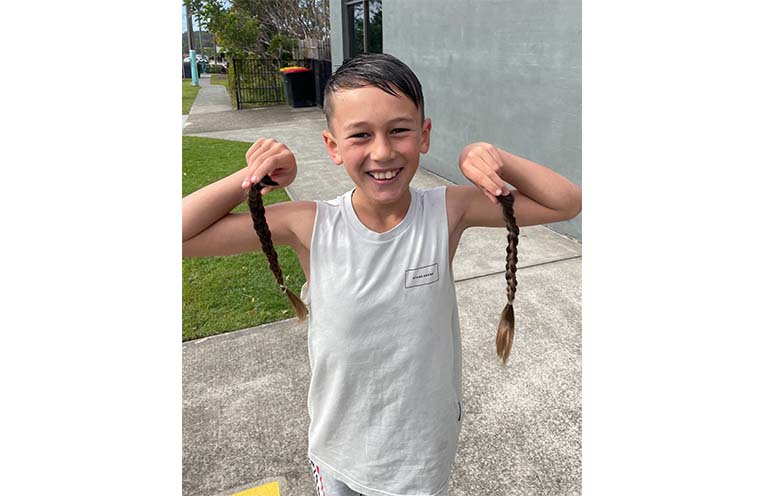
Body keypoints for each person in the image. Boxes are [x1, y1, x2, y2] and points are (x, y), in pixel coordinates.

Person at [182, 53, 581, 496]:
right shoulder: (310, 224)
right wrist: (254, 177)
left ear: (424, 135)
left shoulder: (448, 211)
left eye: (399, 130)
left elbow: (565, 203)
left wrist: (493, 158)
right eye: (360, 135)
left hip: (422, 456)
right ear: (332, 146)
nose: (383, 152)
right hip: (341, 456)